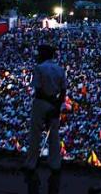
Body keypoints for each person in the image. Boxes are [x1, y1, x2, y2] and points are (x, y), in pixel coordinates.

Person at [23, 44, 67, 184]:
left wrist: (49, 101)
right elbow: (63, 91)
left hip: (41, 103)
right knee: (54, 135)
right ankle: (55, 164)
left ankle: (31, 164)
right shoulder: (60, 69)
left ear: (44, 55)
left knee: (35, 134)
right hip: (54, 104)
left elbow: (38, 90)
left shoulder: (39, 68)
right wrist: (56, 105)